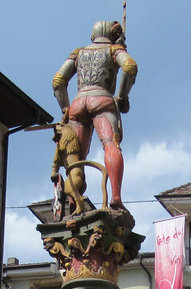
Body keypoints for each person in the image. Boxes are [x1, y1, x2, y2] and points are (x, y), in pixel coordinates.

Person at [52, 20, 137, 210]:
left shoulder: (78, 52)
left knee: (76, 155)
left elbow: (58, 80)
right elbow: (130, 67)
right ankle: (115, 197)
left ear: (93, 35)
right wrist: (122, 97)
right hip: (102, 100)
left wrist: (66, 109)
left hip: (78, 103)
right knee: (110, 144)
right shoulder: (114, 50)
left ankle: (74, 200)